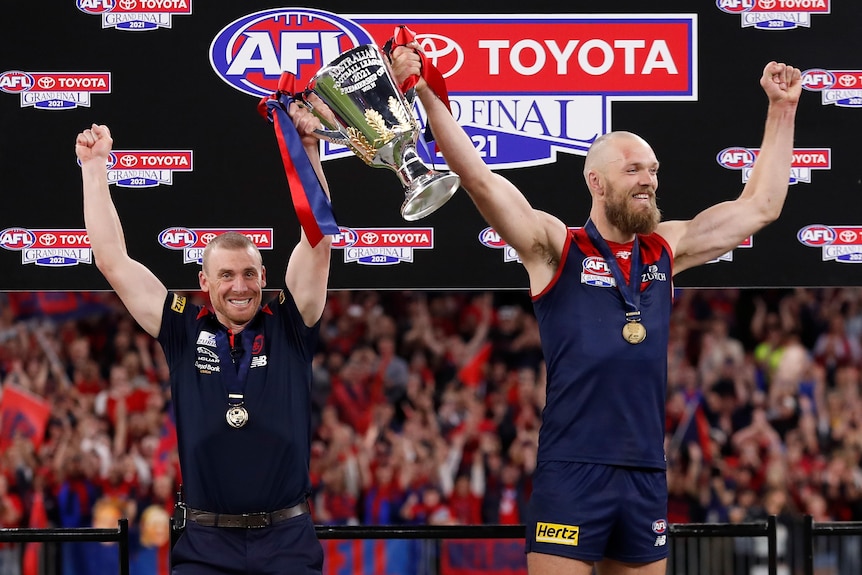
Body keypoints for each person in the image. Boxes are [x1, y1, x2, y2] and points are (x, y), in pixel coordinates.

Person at [391, 45, 802, 575]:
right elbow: (482, 181)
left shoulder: (665, 249)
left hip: (646, 473)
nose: (649, 180)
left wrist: (782, 109)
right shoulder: (555, 248)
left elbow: (760, 207)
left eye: (653, 170)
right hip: (573, 472)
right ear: (597, 182)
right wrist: (424, 90)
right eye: (634, 170)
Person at [75, 99, 334, 574]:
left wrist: (309, 152)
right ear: (204, 282)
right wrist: (94, 170)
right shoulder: (180, 327)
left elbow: (317, 240)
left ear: (263, 275)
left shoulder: (291, 323)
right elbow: (113, 260)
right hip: (206, 546)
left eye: (250, 274)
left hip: (288, 541)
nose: (241, 286)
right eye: (228, 275)